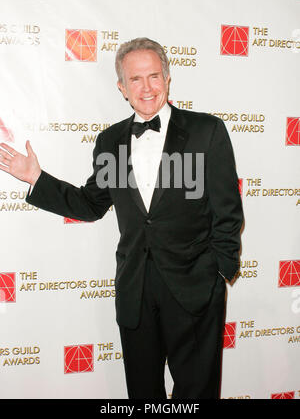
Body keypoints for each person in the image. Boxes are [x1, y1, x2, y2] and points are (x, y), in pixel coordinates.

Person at [0, 37, 243, 399]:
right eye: (135, 79)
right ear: (122, 87)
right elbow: (90, 203)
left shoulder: (206, 131)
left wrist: (219, 270)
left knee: (197, 392)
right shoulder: (110, 141)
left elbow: (227, 211)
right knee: (143, 393)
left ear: (168, 78)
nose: (146, 88)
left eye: (154, 76)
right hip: (136, 289)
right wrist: (37, 178)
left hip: (195, 287)